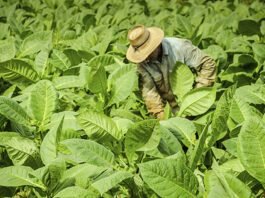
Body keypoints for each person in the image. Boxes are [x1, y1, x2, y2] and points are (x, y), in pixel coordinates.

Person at [126, 25, 216, 119]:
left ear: (155, 44)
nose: (146, 57)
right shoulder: (142, 64)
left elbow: (207, 64)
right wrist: (164, 119)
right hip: (170, 113)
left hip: (196, 107)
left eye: (148, 52)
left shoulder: (180, 47)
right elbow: (150, 94)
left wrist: (197, 94)